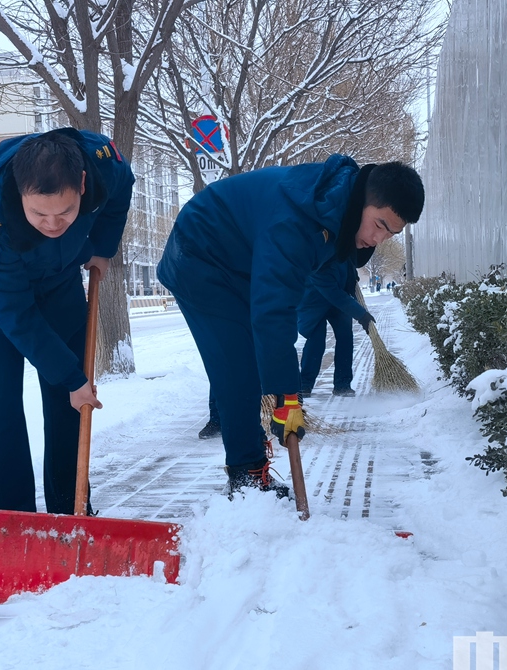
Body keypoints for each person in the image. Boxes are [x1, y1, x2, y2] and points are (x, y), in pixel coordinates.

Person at [157, 160, 423, 496]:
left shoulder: (332, 209)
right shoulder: (298, 220)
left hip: (239, 262)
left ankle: (251, 472)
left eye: (390, 234)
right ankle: (246, 481)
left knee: (253, 362)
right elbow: (274, 310)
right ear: (362, 200)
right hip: (199, 254)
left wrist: (284, 393)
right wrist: (287, 397)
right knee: (238, 368)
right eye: (379, 225)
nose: (378, 239)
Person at [0, 128, 134, 514]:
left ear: (82, 185)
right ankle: (9, 516)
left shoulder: (101, 164)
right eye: (39, 214)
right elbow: (16, 316)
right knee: (2, 393)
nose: (53, 224)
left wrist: (103, 247)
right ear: (20, 193)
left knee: (70, 400)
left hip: (58, 277)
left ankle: (71, 507)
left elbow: (121, 190)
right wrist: (71, 376)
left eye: (65, 212)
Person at [298, 258, 374, 397]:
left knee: (345, 339)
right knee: (316, 342)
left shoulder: (345, 251)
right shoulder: (319, 253)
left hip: (338, 304)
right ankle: (304, 384)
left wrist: (351, 277)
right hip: (314, 301)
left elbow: (347, 276)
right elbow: (332, 291)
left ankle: (342, 384)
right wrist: (361, 314)